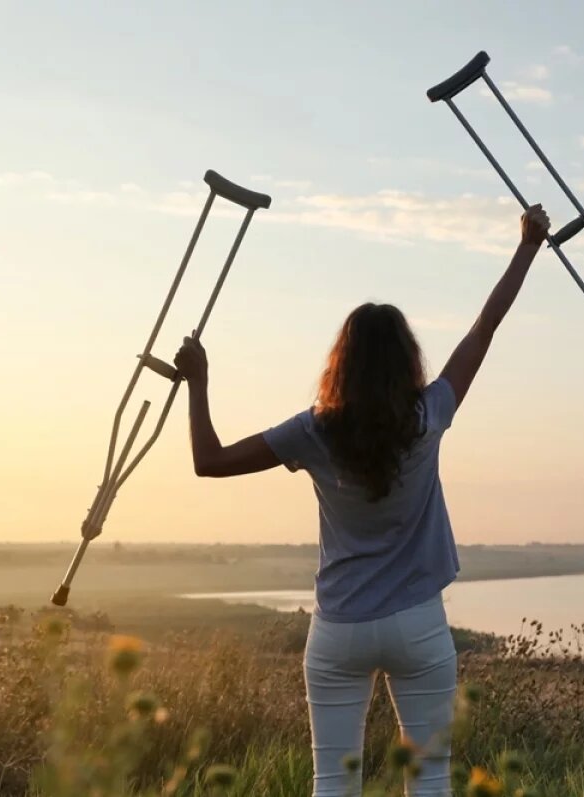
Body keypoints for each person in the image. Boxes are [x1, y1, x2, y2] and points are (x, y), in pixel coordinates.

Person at [173, 204, 552, 797]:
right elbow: (484, 328)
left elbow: (209, 462)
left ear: (341, 364)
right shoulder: (429, 414)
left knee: (333, 783)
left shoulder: (314, 430)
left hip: (340, 628)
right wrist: (528, 246)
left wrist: (198, 381)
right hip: (418, 624)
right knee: (429, 778)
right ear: (407, 361)